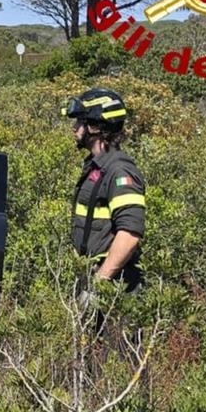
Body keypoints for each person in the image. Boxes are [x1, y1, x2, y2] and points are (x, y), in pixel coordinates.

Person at [63, 87, 147, 289]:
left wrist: (100, 283)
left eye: (80, 122)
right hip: (91, 276)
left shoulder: (119, 171)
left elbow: (130, 234)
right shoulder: (97, 166)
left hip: (115, 285)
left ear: (95, 127)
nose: (74, 128)